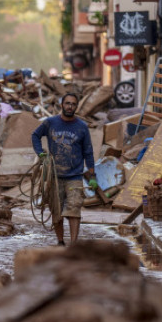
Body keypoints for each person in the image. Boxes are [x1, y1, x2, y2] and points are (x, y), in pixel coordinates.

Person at [31, 92, 97, 246]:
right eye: (67, 103)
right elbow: (35, 135)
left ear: (76, 107)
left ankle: (73, 244)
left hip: (75, 176)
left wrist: (92, 175)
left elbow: (88, 151)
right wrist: (40, 152)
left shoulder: (82, 127)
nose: (70, 107)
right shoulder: (50, 123)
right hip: (55, 175)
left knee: (74, 210)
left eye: (73, 104)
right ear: (62, 105)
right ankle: (61, 242)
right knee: (56, 211)